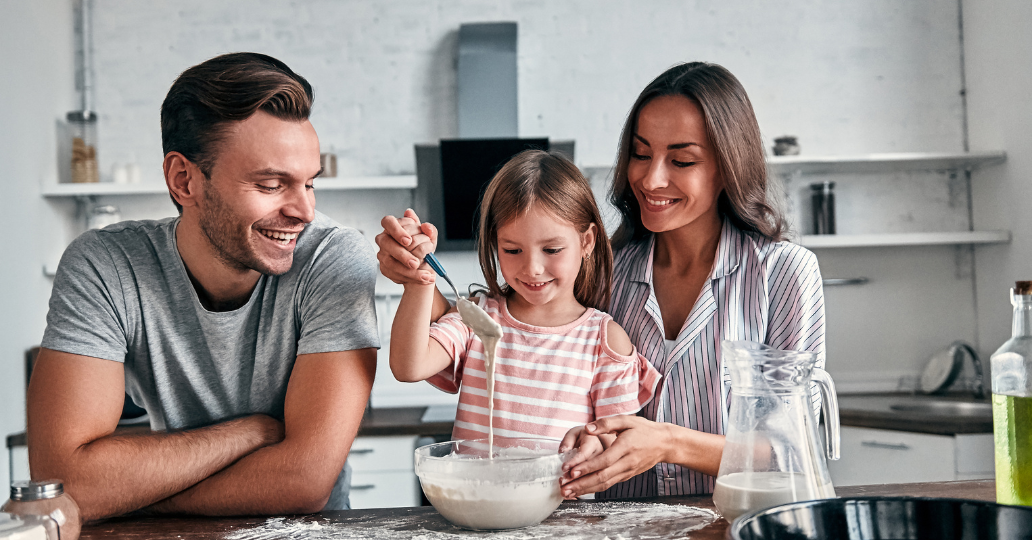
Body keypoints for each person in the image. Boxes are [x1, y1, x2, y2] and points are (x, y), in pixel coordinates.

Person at [375, 62, 825, 500]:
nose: (651, 178)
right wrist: (416, 273)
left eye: (682, 159)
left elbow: (791, 450)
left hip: (732, 523)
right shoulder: (610, 273)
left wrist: (668, 443)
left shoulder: (783, 275)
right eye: (641, 153)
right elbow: (499, 333)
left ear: (728, 167)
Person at [28, 53, 378, 520]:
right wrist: (249, 432)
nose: (304, 211)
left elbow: (304, 483)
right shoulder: (105, 264)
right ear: (184, 179)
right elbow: (63, 484)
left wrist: (129, 492)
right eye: (272, 184)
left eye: (309, 183)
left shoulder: (332, 260)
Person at [389, 150, 660, 445]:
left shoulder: (603, 342)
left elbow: (617, 443)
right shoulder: (478, 320)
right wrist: (418, 280)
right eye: (512, 250)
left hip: (561, 493)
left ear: (587, 241)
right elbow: (409, 366)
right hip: (477, 492)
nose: (532, 268)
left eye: (552, 250)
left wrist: (592, 442)